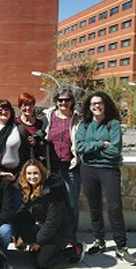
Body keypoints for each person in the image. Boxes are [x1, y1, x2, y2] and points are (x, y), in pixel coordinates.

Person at [76, 91, 136, 265]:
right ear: (89, 107)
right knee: (94, 207)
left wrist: (93, 149)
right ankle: (99, 241)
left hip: (109, 170)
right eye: (93, 104)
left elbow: (114, 151)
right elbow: (80, 147)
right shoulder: (84, 125)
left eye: (99, 103)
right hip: (88, 170)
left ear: (105, 105)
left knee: (114, 207)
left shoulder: (113, 124)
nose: (96, 106)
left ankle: (121, 246)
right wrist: (101, 144)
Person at [13, 159, 85, 269]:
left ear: (42, 173)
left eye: (35, 173)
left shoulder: (53, 191)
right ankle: (40, 248)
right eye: (29, 174)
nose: (32, 177)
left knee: (42, 263)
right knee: (32, 255)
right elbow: (22, 212)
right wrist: (18, 235)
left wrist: (38, 242)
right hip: (42, 226)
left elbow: (53, 223)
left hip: (59, 232)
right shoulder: (28, 189)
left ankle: (75, 250)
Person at [42, 88, 82, 241]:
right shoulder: (48, 116)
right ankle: (51, 234)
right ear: (56, 102)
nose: (63, 103)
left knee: (71, 202)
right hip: (51, 166)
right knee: (50, 201)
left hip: (70, 165)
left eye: (66, 100)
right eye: (60, 100)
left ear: (72, 101)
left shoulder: (77, 119)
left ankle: (71, 235)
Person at [15, 93, 46, 166]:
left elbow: (45, 143)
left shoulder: (40, 124)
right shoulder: (15, 123)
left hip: (36, 163)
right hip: (19, 163)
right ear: (20, 106)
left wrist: (36, 143)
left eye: (30, 105)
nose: (28, 108)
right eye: (25, 105)